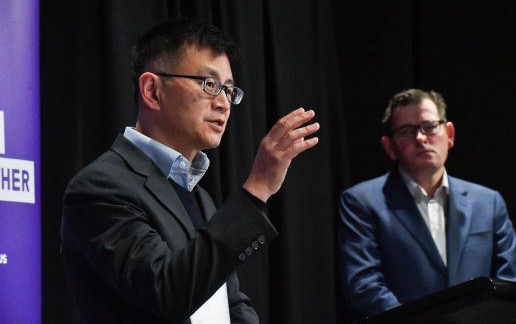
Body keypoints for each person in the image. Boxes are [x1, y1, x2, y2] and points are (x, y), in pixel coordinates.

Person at [61, 17, 319, 323]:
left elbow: (230, 305)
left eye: (229, 90)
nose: (224, 103)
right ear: (152, 91)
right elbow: (167, 291)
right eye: (210, 84)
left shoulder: (199, 197)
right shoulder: (99, 187)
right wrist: (258, 187)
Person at [338, 89, 516, 318]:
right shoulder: (361, 201)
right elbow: (364, 285)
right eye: (406, 131)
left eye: (429, 126)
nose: (420, 138)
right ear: (389, 147)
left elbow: (509, 280)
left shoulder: (488, 202)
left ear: (449, 133)